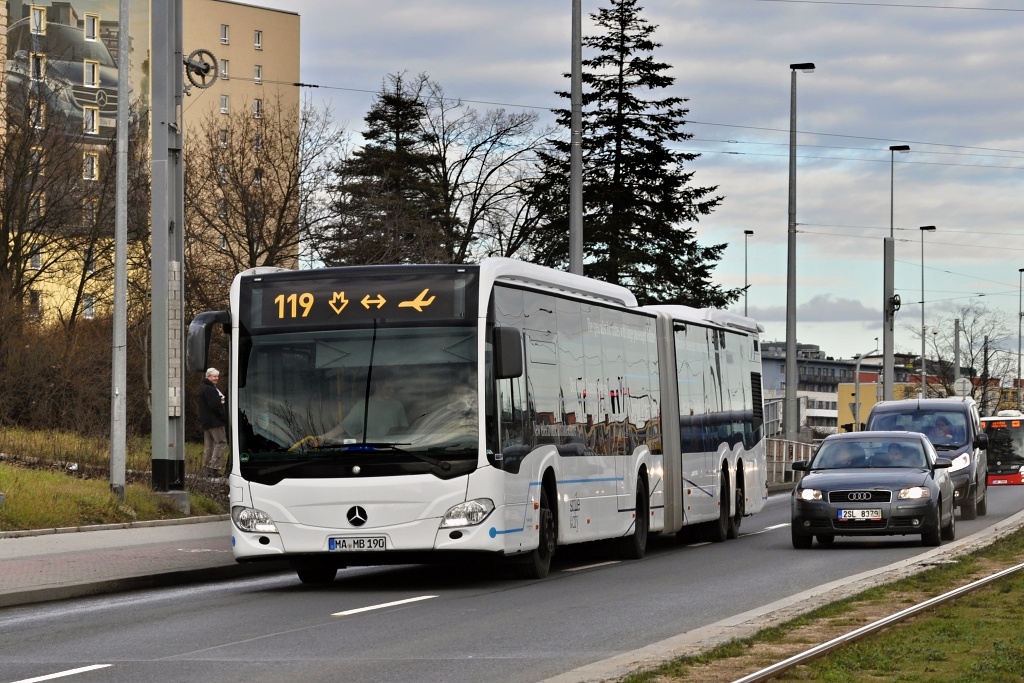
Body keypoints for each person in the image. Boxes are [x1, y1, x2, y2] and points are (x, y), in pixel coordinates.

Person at [321, 371, 408, 443]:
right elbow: (344, 427)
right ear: (378, 386)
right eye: (388, 388)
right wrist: (322, 438)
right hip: (368, 452)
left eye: (394, 388)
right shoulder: (362, 406)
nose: (392, 391)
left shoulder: (397, 406)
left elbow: (405, 431)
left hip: (393, 451)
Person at [199, 367, 228, 478]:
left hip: (207, 421)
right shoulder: (210, 389)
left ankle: (206, 469)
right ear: (208, 376)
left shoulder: (204, 388)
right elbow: (215, 406)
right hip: (215, 421)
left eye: (217, 376)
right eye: (214, 376)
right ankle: (214, 467)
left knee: (209, 446)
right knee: (221, 443)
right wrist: (223, 417)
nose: (216, 378)